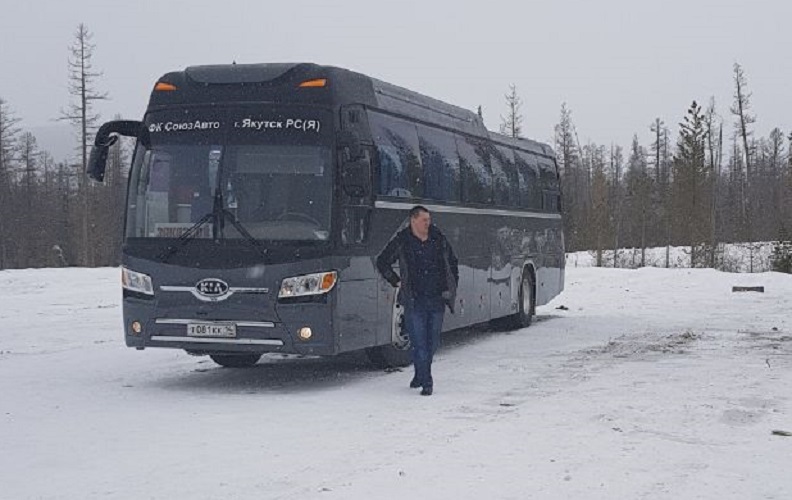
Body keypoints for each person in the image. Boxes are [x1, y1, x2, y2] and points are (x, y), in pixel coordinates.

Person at [376, 205, 459, 396]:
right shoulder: (403, 241)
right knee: (419, 342)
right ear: (413, 221)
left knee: (432, 342)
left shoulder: (438, 239)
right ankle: (427, 381)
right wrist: (396, 281)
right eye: (424, 220)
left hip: (437, 298)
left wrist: (450, 286)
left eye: (429, 220)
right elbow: (383, 261)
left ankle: (419, 374)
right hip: (415, 301)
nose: (428, 223)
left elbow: (452, 262)